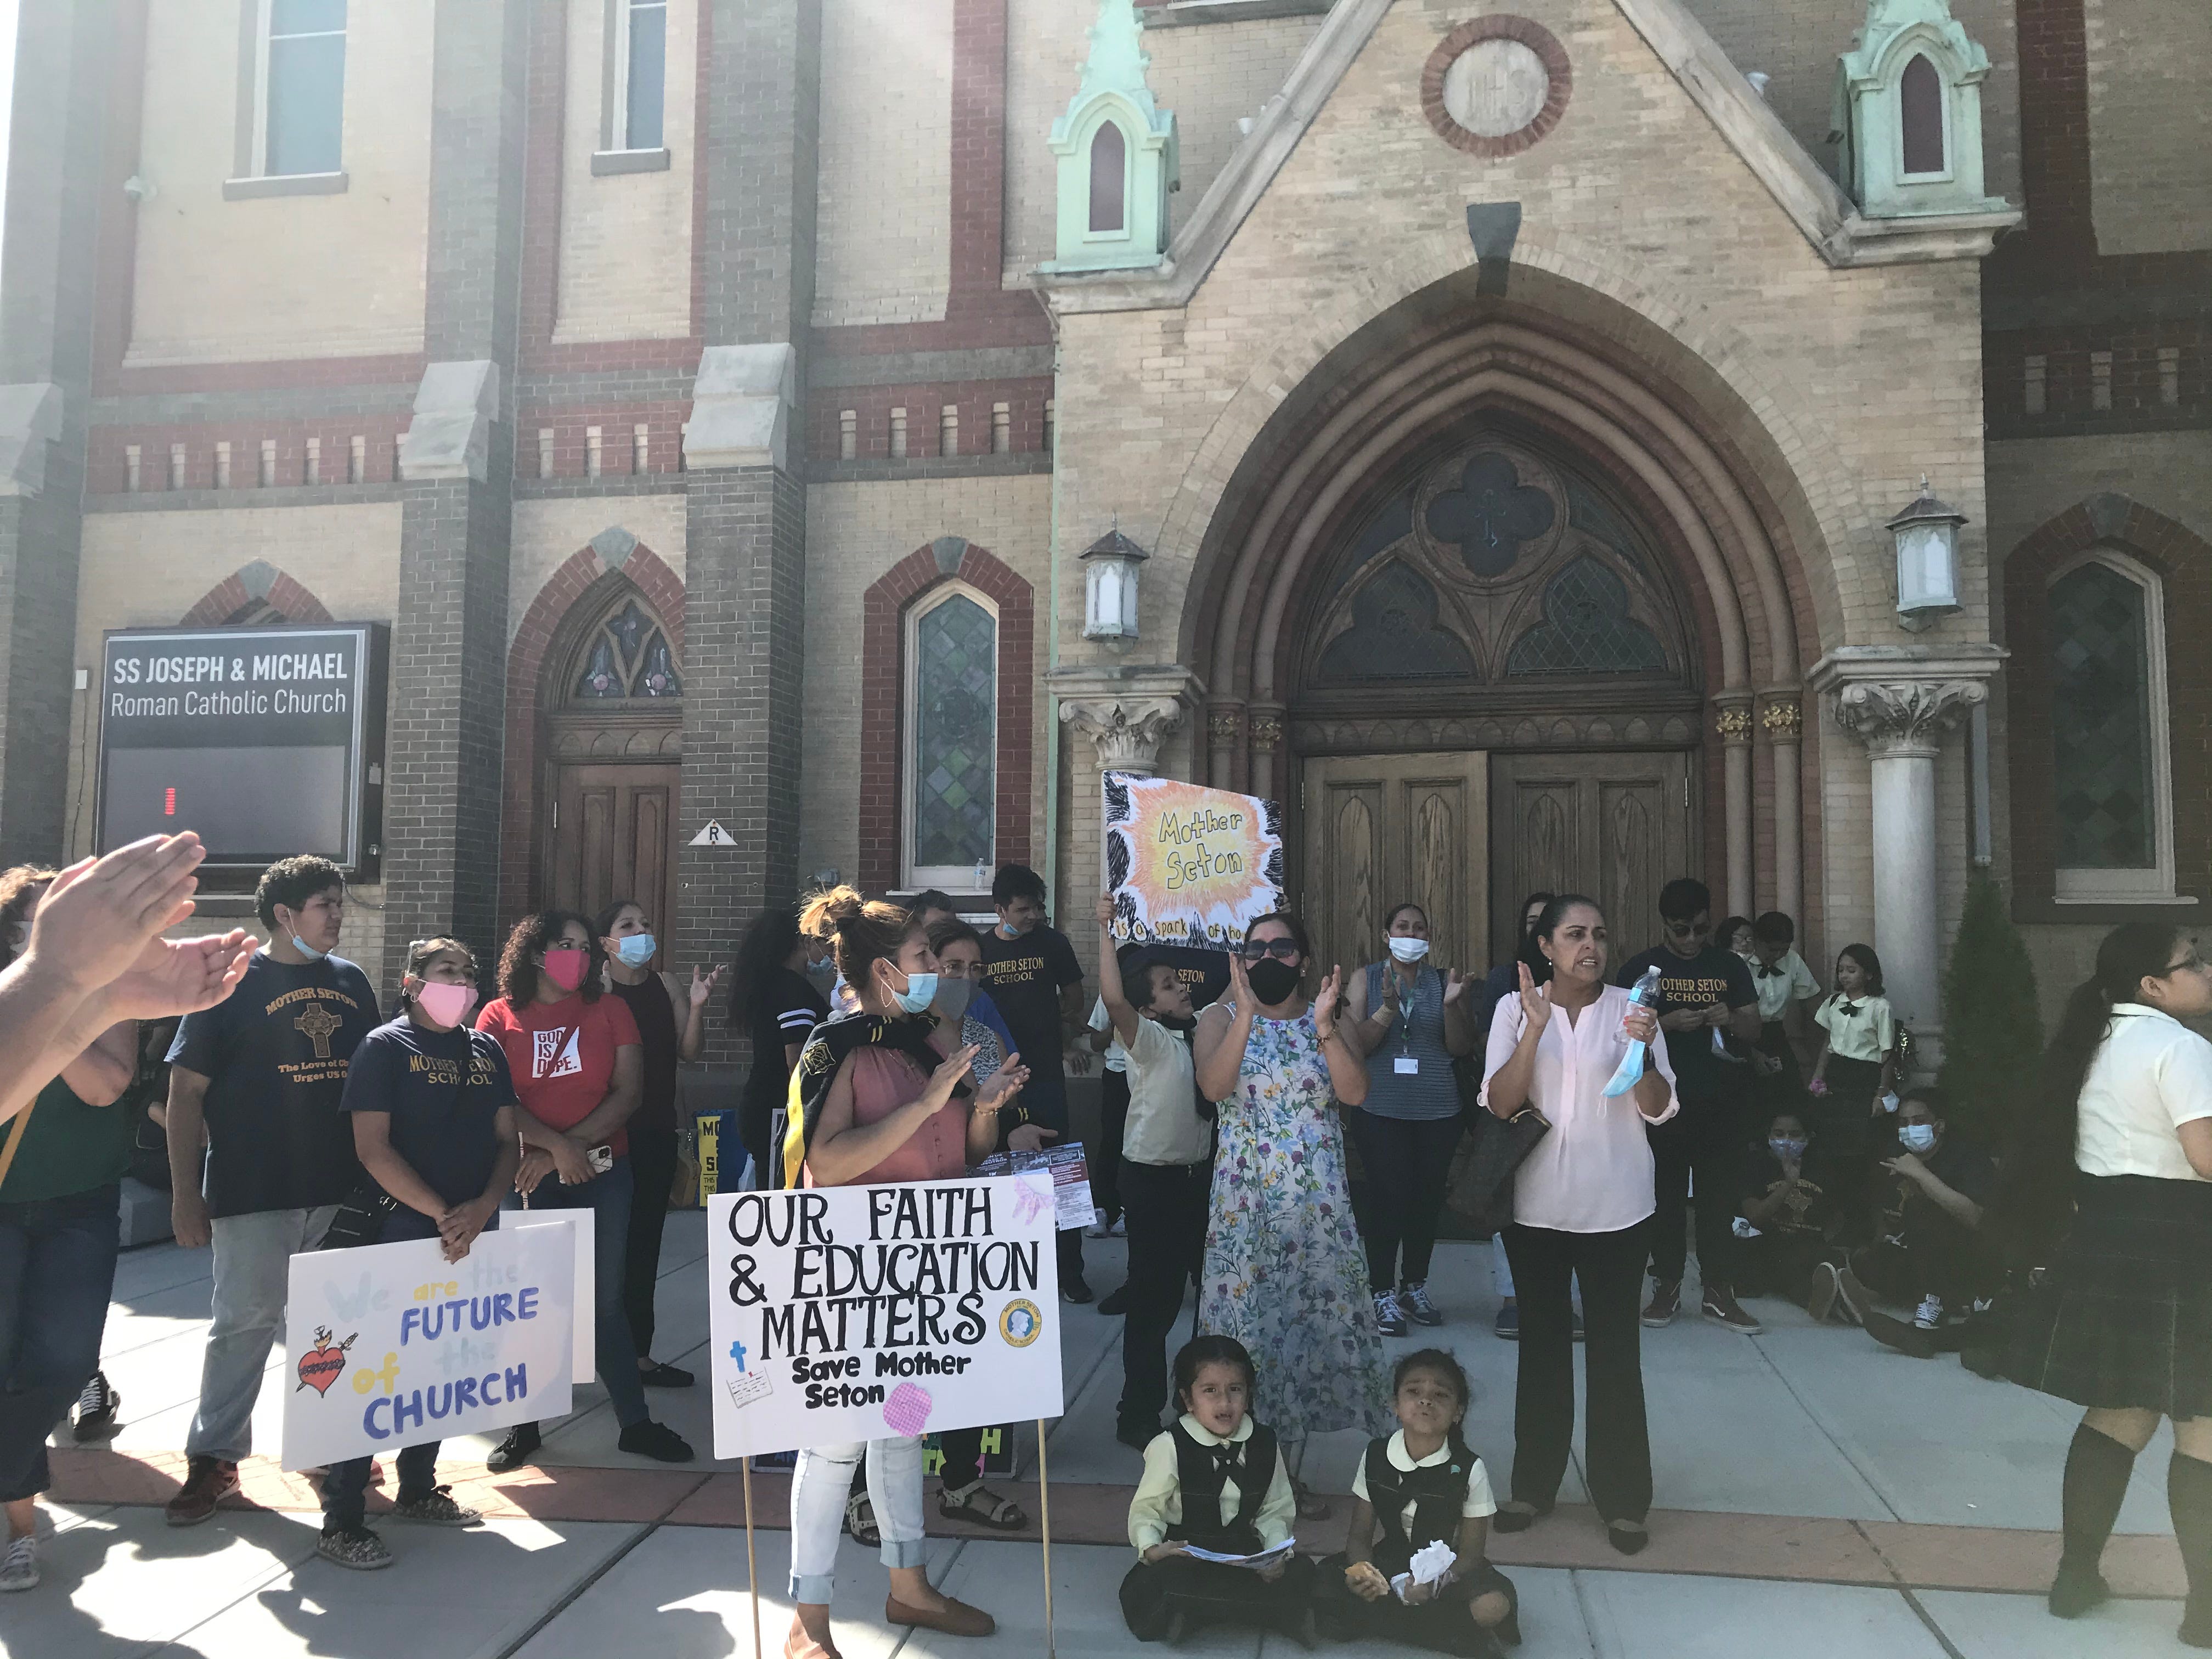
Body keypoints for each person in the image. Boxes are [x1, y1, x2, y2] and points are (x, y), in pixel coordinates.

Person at [781, 887, 1024, 1656]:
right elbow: (825, 1159)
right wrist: (925, 1105)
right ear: (886, 968)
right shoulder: (838, 1045)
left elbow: (964, 1156)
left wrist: (982, 1109)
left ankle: (909, 1586)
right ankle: (807, 1618)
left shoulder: (933, 1035)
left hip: (925, 1270)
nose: (936, 971)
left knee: (900, 1430)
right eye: (924, 958)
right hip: (851, 1273)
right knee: (834, 1447)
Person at [1997, 923, 2212, 1645]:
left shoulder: (2092, 1042)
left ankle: (2076, 1577)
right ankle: (2206, 1611)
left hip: (2110, 1237)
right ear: (2153, 985)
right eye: (2193, 962)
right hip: (2187, 1242)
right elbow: (2206, 1157)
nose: (2205, 970)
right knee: (2205, 1427)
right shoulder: (2182, 1048)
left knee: (2118, 1412)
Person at [162, 855, 380, 1527]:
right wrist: (184, 1195)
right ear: (284, 915)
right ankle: (215, 1458)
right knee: (243, 1326)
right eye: (325, 905)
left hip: (339, 1190)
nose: (338, 916)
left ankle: (331, 1454)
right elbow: (185, 1095)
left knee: (333, 1332)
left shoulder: (352, 982)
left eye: (340, 903)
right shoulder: (230, 985)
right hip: (252, 1191)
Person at [314, 937, 520, 1570]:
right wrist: (443, 1215)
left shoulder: (486, 1049)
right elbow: (372, 1148)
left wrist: (482, 1209)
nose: (459, 982)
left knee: (444, 1364)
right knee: (376, 1371)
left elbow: (508, 1141)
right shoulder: (384, 1048)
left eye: (467, 972)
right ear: (412, 982)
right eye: (445, 972)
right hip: (402, 1229)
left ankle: (419, 1486)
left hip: (473, 1231)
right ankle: (342, 1520)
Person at [1481, 894, 1677, 1555]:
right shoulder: (1513, 1009)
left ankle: (1623, 1501)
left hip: (1618, 1210)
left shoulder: (1635, 1009)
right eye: (1573, 934)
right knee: (1541, 1349)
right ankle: (1533, 1487)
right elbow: (1501, 1102)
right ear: (1546, 946)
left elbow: (1657, 1111)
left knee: (1616, 1354)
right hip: (1536, 1210)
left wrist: (1644, 1052)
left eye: (1597, 933)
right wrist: (1534, 1029)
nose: (1588, 945)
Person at [476, 911, 692, 1472]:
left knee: (604, 1301)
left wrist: (566, 1151)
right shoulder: (497, 1018)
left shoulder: (612, 1009)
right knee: (531, 1305)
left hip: (603, 1172)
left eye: (581, 946)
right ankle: (524, 1429)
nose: (577, 955)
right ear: (535, 954)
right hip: (526, 1181)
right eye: (563, 945)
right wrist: (551, 1152)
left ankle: (635, 1423)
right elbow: (494, 1102)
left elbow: (628, 1093)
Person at [1194, 911, 1390, 1516]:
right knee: (1248, 1340)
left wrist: (1328, 1027)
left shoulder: (1329, 1019)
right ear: (1242, 959)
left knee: (1303, 1337)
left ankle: (1284, 1474)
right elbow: (1214, 1089)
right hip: (1245, 1214)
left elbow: (1355, 1093)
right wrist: (1246, 1012)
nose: (1268, 957)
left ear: (1303, 960)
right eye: (1256, 949)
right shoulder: (1218, 1019)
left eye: (1282, 948)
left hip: (1315, 1211)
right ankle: (1254, 1480)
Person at [0, 870, 140, 1592]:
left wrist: (53, 1015)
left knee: (62, 1361)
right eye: (33, 921)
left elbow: (106, 1085)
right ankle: (18, 1528)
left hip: (77, 1205)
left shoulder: (116, 993)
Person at [0, 833, 251, 1135]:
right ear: (12, 933)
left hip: (77, 1174)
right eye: (49, 921)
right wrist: (54, 973)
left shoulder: (88, 982)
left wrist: (106, 1002)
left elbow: (104, 1088)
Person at [914, 913, 1030, 1536]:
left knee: (963, 1353)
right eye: (949, 966)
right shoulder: (892, 1037)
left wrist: (992, 1112)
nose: (961, 978)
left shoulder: (983, 1034)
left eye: (972, 968)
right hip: (898, 1213)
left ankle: (961, 1481)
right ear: (923, 967)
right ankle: (869, 1485)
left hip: (964, 1213)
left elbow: (979, 1149)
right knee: (900, 1358)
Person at [1616, 877, 1763, 1335]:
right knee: (1666, 1199)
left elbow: (1755, 1028)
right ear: (1665, 925)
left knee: (1720, 1199)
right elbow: (1620, 1031)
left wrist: (1732, 1018)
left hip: (1721, 1099)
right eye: (1682, 931)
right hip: (1663, 1102)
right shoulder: (1642, 968)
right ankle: (1667, 1286)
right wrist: (1665, 1023)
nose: (1692, 940)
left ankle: (1720, 1291)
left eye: (1701, 929)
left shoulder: (1729, 966)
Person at [1093, 895, 1209, 1454]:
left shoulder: (1205, 1031)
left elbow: (1241, 990)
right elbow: (1115, 998)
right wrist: (1104, 931)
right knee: (1154, 1304)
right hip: (1153, 1182)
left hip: (1200, 1180)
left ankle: (1206, 1402)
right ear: (1152, 1009)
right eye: (1166, 985)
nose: (1182, 986)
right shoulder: (1151, 1042)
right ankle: (1137, 1412)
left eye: (1177, 980)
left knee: (1212, 1298)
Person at [1317, 1348, 1520, 1656]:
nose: (1426, 1401)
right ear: (1396, 1405)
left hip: (1448, 1573)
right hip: (1389, 1563)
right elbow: (1359, 1538)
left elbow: (1471, 1555)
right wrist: (1364, 1572)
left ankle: (1384, 1624)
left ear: (1458, 1412)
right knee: (1324, 1578)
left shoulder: (1468, 1468)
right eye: (1414, 1392)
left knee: (1493, 1605)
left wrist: (1432, 1584)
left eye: (1441, 1395)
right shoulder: (1375, 1454)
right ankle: (1445, 1633)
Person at [597, 899, 720, 1387]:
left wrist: (696, 1006)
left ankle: (640, 1356)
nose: (641, 931)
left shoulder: (665, 984)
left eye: (646, 923)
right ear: (606, 942)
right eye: (627, 924)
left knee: (645, 1244)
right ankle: (598, 1354)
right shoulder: (598, 991)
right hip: (606, 1136)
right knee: (609, 1250)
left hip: (656, 1132)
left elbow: (689, 1052)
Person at [1121, 1335, 1312, 1646]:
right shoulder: (1168, 1446)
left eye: (1235, 1390)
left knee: (1303, 1571)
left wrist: (1274, 1554)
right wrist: (1154, 1549)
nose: (1224, 1403)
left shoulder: (1264, 1443)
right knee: (1164, 1581)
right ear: (1188, 1399)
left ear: (1248, 1396)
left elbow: (1275, 1508)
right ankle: (1231, 1611)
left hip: (1243, 1554)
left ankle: (1200, 1613)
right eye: (1210, 1391)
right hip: (1188, 1556)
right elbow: (1147, 1509)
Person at [1342, 902, 1479, 1335]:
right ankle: (1381, 1290)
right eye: (1402, 926)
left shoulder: (1443, 981)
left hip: (1438, 1110)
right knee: (1388, 1198)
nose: (1411, 933)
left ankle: (1414, 1286)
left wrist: (1456, 1006)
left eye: (1419, 927)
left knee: (1425, 1201)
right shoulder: (1366, 978)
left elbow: (1459, 1047)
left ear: (1429, 935)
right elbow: (1355, 1047)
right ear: (1387, 935)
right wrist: (1385, 1011)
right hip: (1381, 1108)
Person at [976, 864, 1091, 1301]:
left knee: (1061, 1172)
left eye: (1037, 907)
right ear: (1000, 908)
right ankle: (1013, 1274)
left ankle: (1070, 1273)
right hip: (994, 1083)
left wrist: (1057, 1035)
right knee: (1001, 1174)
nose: (1033, 916)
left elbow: (1074, 999)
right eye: (1023, 909)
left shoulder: (1053, 944)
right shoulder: (981, 951)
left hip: (1044, 1077)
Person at [1841, 1087, 1994, 1355]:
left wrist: (1922, 1177)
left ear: (1940, 1126)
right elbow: (1876, 1206)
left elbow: (1976, 1219)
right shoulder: (1893, 1155)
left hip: (1965, 1252)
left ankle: (1939, 1301)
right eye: (1903, 1123)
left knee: (1921, 1207)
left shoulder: (1967, 1157)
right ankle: (1952, 1300)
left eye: (1919, 1121)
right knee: (1867, 1262)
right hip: (1918, 1252)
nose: (1910, 1128)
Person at [1479, 892, 1553, 1342]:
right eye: (1532, 922)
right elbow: (1491, 1042)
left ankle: (1565, 1302)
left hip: (1569, 1115)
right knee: (1511, 1206)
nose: (1539, 930)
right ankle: (1512, 1299)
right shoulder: (1503, 981)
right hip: (1513, 1107)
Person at [730, 906, 832, 1189]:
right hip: (778, 1112)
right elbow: (796, 1061)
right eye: (825, 942)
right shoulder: (792, 991)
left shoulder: (773, 985)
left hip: (765, 1106)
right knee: (779, 1199)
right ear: (805, 942)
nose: (829, 953)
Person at [1737, 1107, 1848, 1314]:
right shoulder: (1755, 1166)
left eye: (1795, 1134)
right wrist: (1788, 1184)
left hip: (1809, 1247)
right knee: (1779, 1266)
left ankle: (1836, 1302)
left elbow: (1838, 1216)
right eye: (1779, 1134)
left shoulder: (1823, 1168)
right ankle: (1830, 1304)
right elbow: (1755, 1217)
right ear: (1768, 1136)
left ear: (1808, 1137)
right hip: (1768, 1243)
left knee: (1834, 1263)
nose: (1786, 1140)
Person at [1748, 912, 1822, 1105]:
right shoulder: (1739, 963)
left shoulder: (1792, 960)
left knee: (1790, 1094)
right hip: (1743, 1034)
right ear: (1757, 941)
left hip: (1775, 1033)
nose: (1778, 955)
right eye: (1772, 950)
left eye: (1784, 949)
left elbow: (1812, 1001)